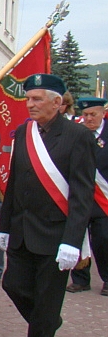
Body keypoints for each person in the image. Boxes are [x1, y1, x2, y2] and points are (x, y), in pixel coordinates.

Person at [0, 73, 95, 337]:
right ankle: (48, 322)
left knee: (47, 298)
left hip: (56, 235)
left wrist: (73, 241)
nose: (30, 104)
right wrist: (5, 225)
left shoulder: (79, 136)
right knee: (13, 285)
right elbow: (14, 183)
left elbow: (82, 193)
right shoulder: (25, 132)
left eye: (37, 99)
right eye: (28, 99)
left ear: (57, 102)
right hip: (23, 230)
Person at [67, 97, 108, 296]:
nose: (89, 118)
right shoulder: (76, 133)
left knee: (103, 239)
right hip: (80, 196)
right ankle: (80, 279)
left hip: (104, 199)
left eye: (93, 114)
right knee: (77, 235)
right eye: (85, 115)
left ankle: (107, 278)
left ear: (102, 113)